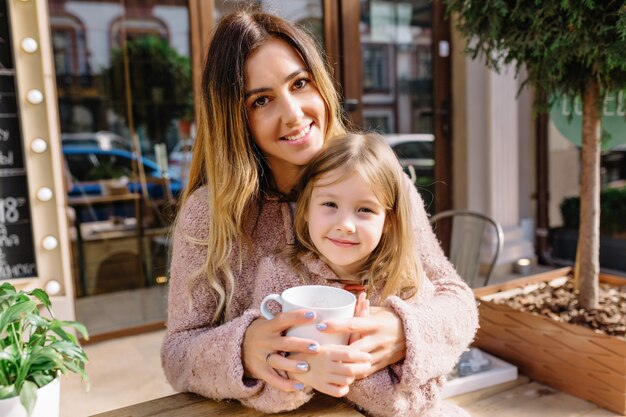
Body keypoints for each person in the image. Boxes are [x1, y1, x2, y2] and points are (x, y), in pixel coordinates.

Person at [161, 11, 478, 417]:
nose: (293, 114)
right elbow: (178, 352)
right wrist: (243, 350)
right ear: (235, 118)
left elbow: (457, 299)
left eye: (299, 83)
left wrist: (406, 331)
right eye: (261, 100)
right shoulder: (209, 213)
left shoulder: (377, 178)